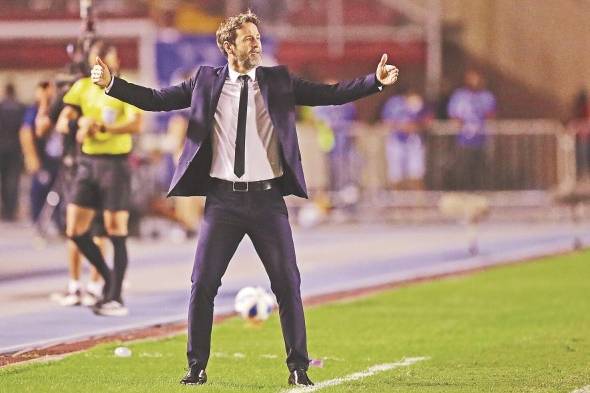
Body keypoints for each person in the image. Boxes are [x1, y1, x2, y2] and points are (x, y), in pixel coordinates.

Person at [91, 10, 398, 386]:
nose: (256, 44)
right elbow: (156, 99)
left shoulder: (278, 80)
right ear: (228, 45)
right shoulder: (205, 81)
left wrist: (374, 82)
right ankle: (195, 366)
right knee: (202, 284)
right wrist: (112, 85)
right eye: (249, 38)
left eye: (258, 37)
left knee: (287, 283)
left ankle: (298, 368)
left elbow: (329, 95)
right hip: (222, 201)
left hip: (268, 201)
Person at [57, 41, 142, 316]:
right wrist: (80, 124)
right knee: (75, 231)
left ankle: (115, 297)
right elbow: (63, 121)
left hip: (115, 165)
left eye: (109, 60)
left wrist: (103, 127)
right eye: (99, 61)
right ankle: (109, 280)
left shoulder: (122, 88)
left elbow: (137, 123)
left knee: (115, 230)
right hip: (88, 163)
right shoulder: (81, 87)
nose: (103, 66)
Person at [447, 69, 496, 190]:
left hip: (482, 140)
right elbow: (453, 115)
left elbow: (491, 115)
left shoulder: (486, 96)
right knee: (463, 169)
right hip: (463, 140)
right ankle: (464, 193)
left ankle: (480, 193)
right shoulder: (459, 95)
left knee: (480, 169)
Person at [381, 87, 432, 190]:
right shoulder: (394, 103)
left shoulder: (419, 103)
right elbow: (386, 121)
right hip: (397, 142)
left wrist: (417, 126)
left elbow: (428, 120)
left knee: (416, 175)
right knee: (396, 176)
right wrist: (401, 127)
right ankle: (397, 202)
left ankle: (418, 203)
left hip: (414, 141)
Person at [0, 83, 26, 221]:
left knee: (3, 180)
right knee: (13, 180)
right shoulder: (20, 108)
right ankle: (11, 209)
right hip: (16, 148)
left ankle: (4, 210)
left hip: (2, 147)